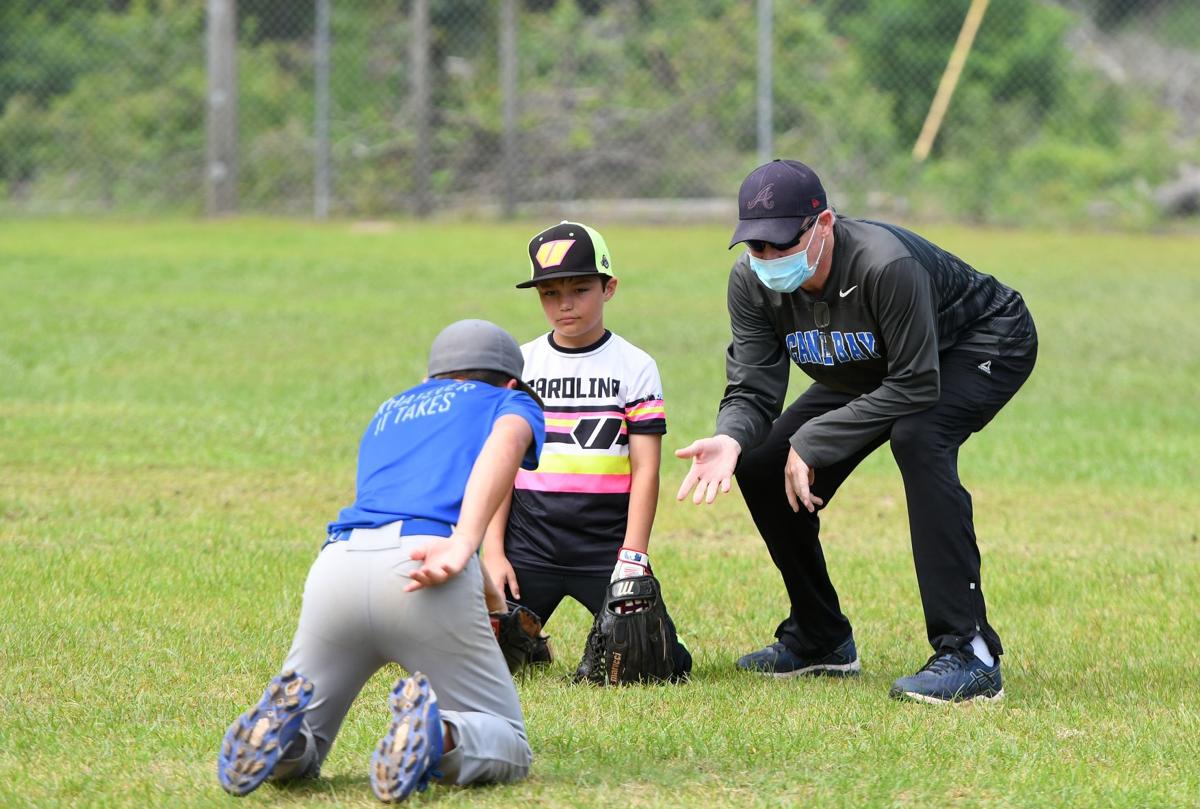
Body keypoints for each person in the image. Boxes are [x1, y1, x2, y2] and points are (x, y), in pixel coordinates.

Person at [676, 159, 1037, 704]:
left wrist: (813, 441)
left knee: (919, 437)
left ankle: (970, 654)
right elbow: (753, 389)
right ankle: (821, 638)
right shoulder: (751, 284)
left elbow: (915, 384)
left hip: (983, 341)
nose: (768, 259)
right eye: (756, 247)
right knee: (759, 461)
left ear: (824, 224)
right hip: (880, 365)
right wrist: (730, 437)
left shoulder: (884, 265)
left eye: (781, 244)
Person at [217, 319, 546, 802]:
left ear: (432, 377)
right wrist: (464, 541)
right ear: (511, 381)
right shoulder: (508, 400)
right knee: (508, 741)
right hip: (424, 569)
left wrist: (494, 603)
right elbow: (507, 441)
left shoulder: (390, 409)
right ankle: (439, 736)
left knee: (311, 740)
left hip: (339, 567)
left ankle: (283, 737)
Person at [483, 221, 690, 677]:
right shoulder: (522, 363)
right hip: (529, 546)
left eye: (579, 289)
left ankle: (531, 632)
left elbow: (646, 470)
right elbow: (501, 467)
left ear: (609, 287)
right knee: (473, 656)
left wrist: (633, 556)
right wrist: (493, 552)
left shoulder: (635, 366)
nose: (565, 305)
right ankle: (528, 638)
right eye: (550, 294)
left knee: (663, 664)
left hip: (604, 548)